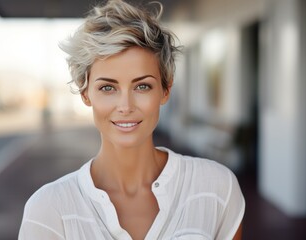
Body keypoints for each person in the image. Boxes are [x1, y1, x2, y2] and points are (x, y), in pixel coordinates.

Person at [18, 0, 245, 239]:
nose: (125, 106)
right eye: (107, 88)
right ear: (86, 94)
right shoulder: (48, 209)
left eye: (142, 86)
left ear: (165, 90)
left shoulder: (216, 188)